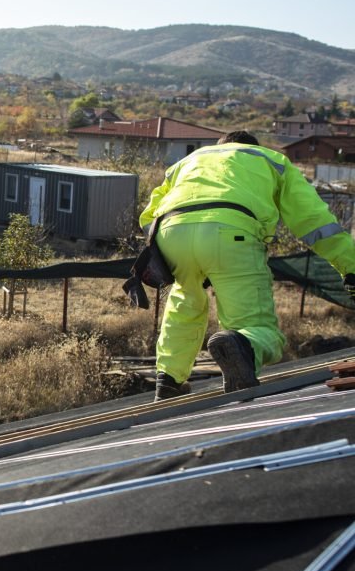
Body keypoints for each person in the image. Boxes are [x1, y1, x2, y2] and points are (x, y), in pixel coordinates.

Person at [140, 130, 355, 400]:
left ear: (221, 146)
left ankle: (169, 378)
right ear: (251, 146)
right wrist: (350, 266)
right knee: (257, 327)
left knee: (186, 300)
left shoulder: (187, 162)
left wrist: (165, 253)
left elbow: (148, 217)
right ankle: (244, 345)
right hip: (232, 232)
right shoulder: (271, 160)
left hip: (171, 233)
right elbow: (315, 223)